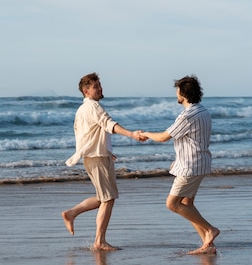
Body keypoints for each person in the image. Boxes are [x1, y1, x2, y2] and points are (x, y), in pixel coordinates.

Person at [62, 72, 146, 251]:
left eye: (100, 85)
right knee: (108, 199)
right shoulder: (93, 107)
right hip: (97, 158)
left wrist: (105, 150)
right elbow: (109, 124)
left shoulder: (82, 109)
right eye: (95, 86)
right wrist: (132, 134)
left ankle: (71, 213)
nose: (100, 88)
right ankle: (99, 241)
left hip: (95, 157)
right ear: (86, 91)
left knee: (104, 197)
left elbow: (86, 134)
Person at [141, 75, 219, 254]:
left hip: (191, 166)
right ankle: (208, 245)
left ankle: (210, 230)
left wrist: (145, 133)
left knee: (172, 204)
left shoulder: (187, 116)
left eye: (177, 90)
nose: (176, 93)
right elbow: (192, 140)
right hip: (200, 163)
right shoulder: (203, 111)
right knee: (187, 203)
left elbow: (163, 137)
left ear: (183, 93)